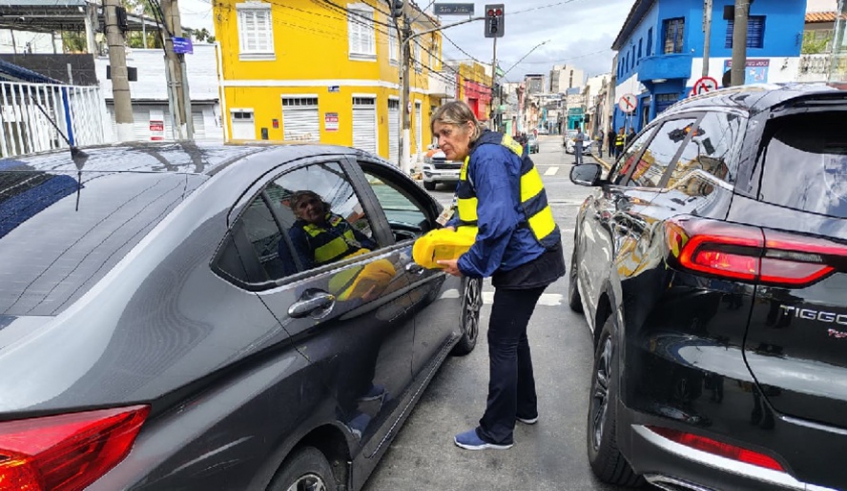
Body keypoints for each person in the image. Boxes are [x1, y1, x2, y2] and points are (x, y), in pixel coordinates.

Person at [430, 101, 566, 451]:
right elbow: (481, 211)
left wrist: (468, 265)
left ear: (469, 127)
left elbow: (499, 223)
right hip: (534, 255)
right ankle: (525, 408)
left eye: (446, 132)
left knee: (503, 341)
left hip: (527, 259)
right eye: (436, 135)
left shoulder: (486, 158)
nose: (441, 142)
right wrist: (454, 227)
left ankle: (497, 432)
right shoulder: (485, 152)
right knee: (514, 336)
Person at [287, 190, 377, 270]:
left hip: (365, 266)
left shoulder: (337, 220)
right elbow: (307, 274)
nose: (311, 207)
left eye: (313, 201)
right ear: (297, 213)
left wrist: (365, 250)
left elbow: (362, 240)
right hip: (337, 283)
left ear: (321, 202)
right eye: (303, 206)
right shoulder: (298, 236)